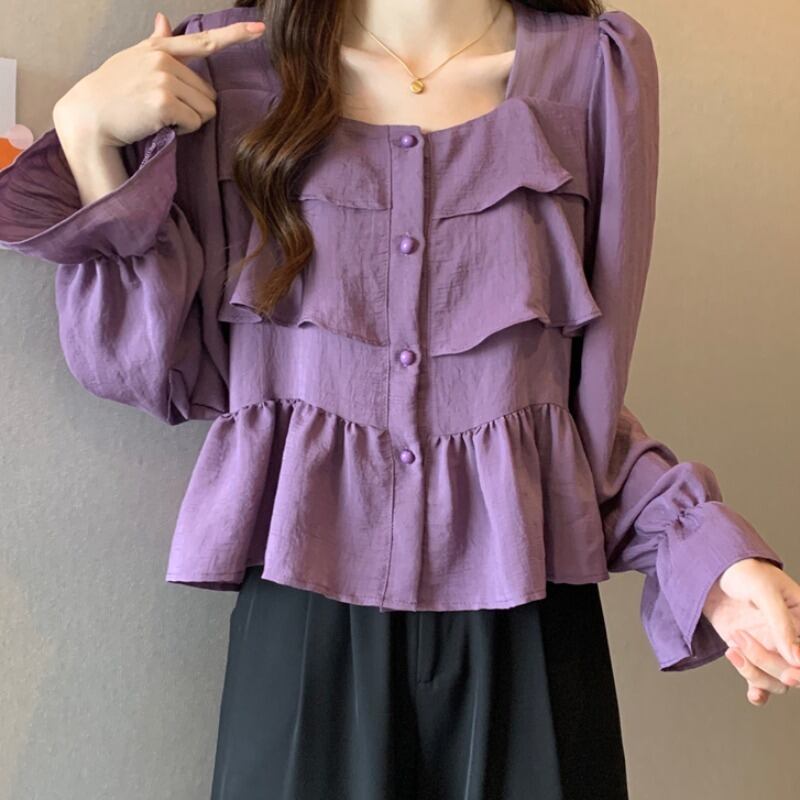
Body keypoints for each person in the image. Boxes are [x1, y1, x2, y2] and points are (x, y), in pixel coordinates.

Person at [1, 1, 798, 798]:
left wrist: (709, 561)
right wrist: (90, 140)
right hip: (304, 623)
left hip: (526, 623)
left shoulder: (597, 70)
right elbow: (143, 368)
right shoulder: (224, 69)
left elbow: (567, 413)